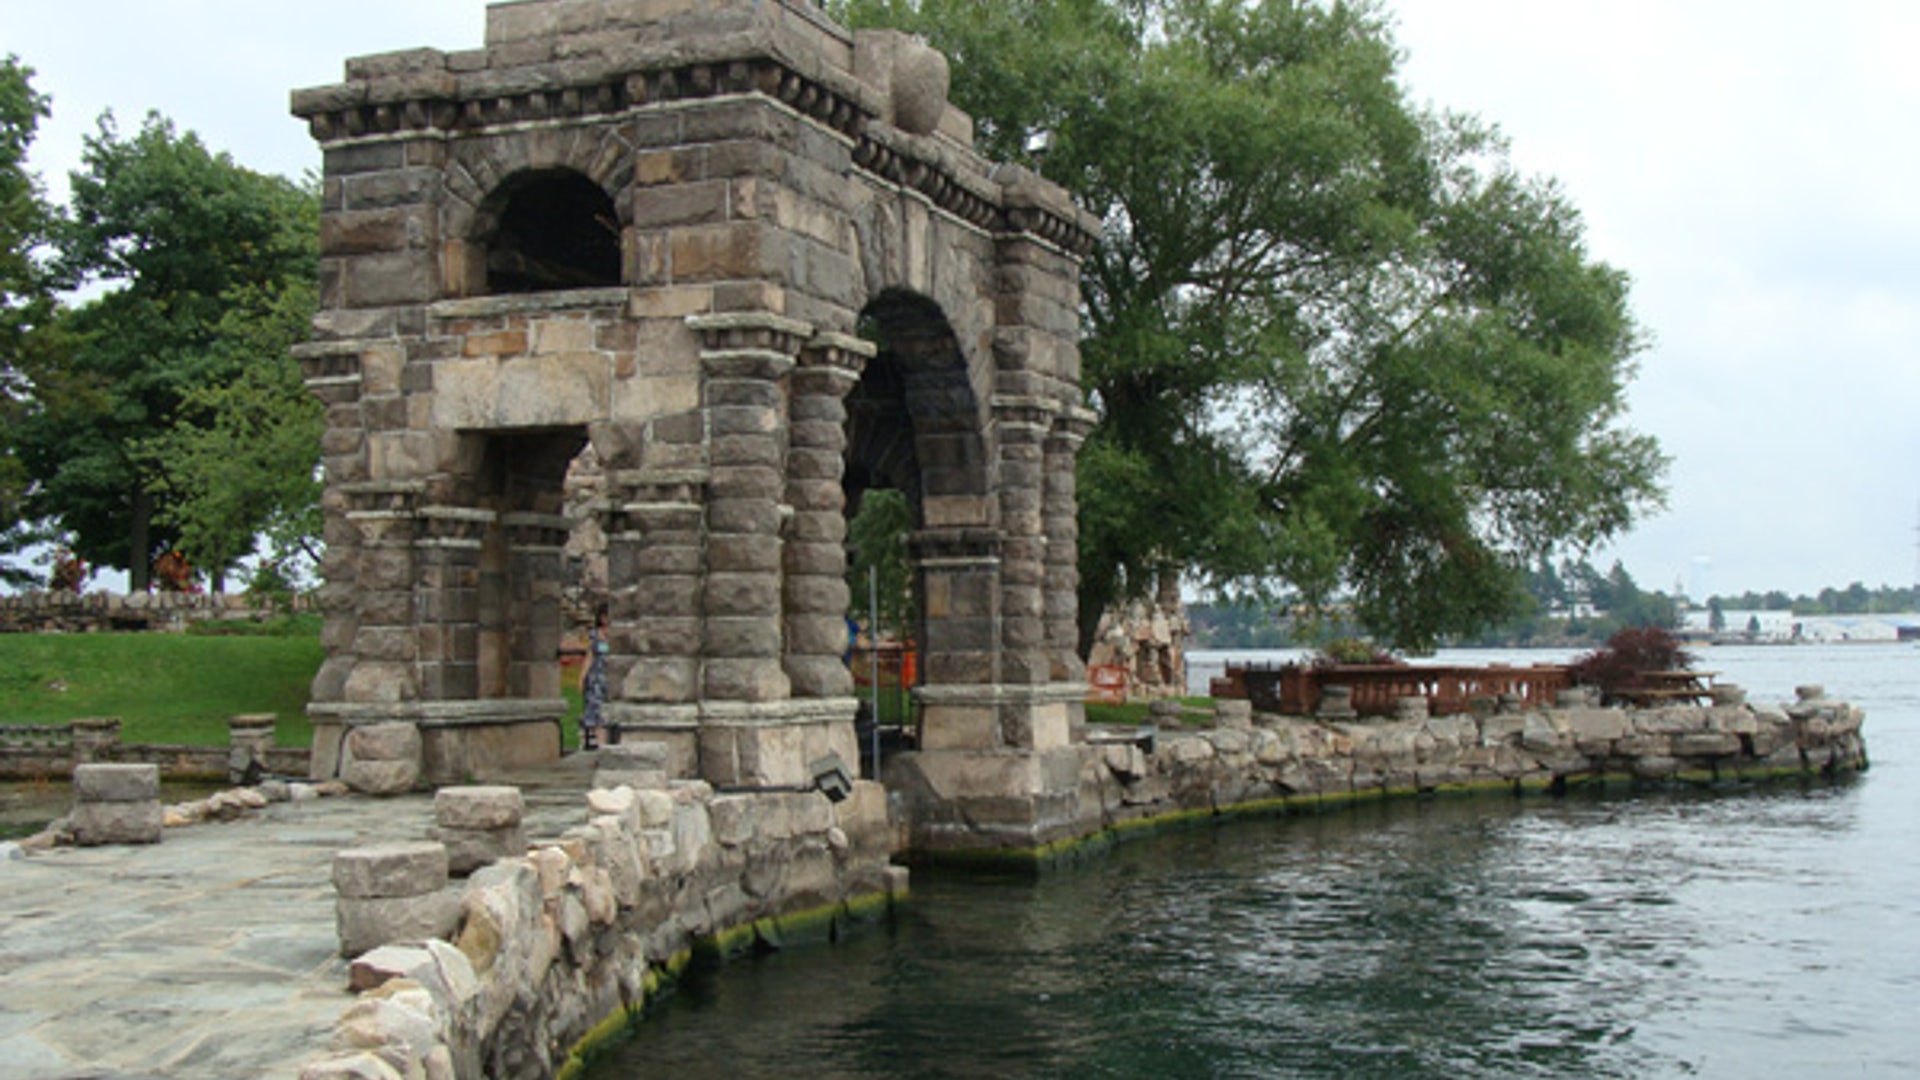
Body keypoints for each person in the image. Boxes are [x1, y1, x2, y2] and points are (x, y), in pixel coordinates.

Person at [580, 606, 609, 751]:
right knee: (596, 711)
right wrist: (582, 677)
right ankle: (600, 744)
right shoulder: (594, 635)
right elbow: (589, 657)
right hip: (597, 677)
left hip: (611, 676)